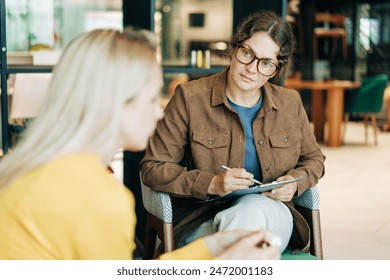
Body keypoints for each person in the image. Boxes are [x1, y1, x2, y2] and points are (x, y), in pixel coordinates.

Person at [0, 28, 280, 260]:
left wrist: (208, 250)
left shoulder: (31, 169)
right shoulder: (101, 199)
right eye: (149, 98)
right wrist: (226, 265)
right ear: (113, 103)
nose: (158, 112)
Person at [140, 11, 325, 254]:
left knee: (252, 211)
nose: (252, 69)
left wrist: (293, 184)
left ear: (277, 68)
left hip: (272, 214)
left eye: (266, 62)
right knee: (249, 242)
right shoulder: (190, 98)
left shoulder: (290, 103)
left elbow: (315, 160)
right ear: (234, 47)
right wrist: (211, 183)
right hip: (202, 220)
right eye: (247, 53)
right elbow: (153, 168)